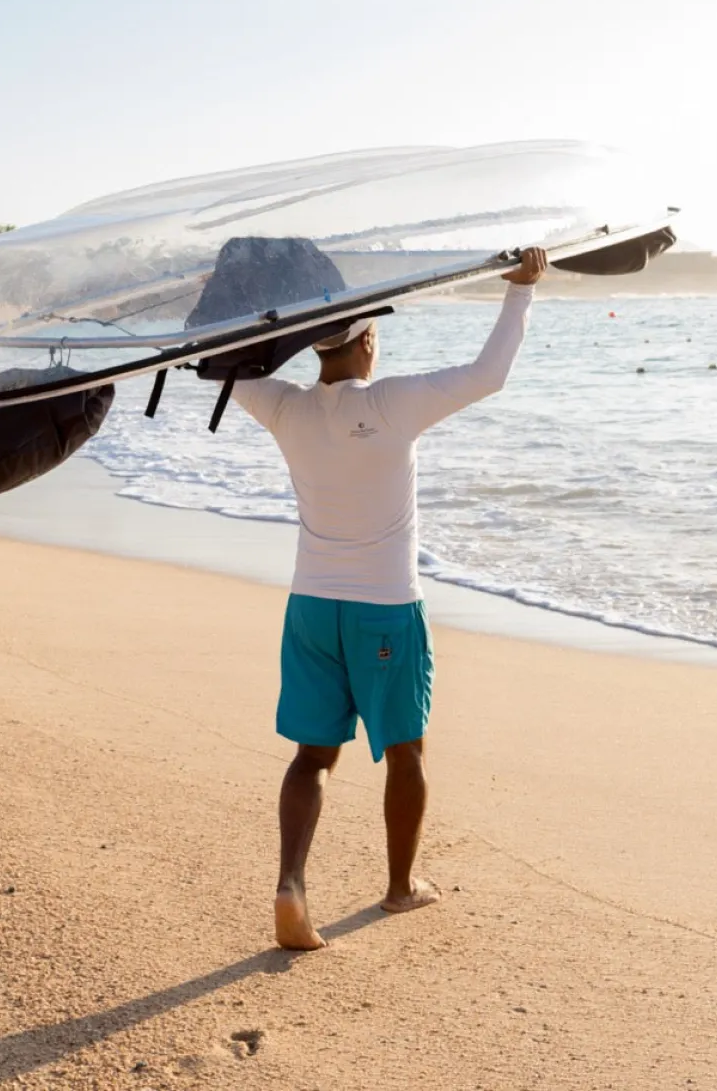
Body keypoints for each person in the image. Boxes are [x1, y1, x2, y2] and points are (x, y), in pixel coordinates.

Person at [230, 246, 548, 950]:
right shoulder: (390, 403)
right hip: (385, 608)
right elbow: (488, 375)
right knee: (405, 750)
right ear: (368, 338)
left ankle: (290, 883)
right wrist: (522, 289)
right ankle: (402, 886)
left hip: (312, 608)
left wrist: (241, 307)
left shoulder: (282, 406)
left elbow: (223, 366)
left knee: (312, 757)